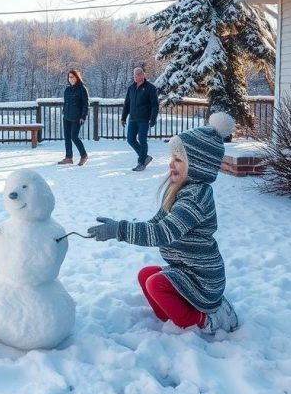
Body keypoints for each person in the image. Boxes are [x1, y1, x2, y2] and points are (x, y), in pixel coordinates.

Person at [87, 111, 239, 336]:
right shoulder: (182, 192)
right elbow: (156, 222)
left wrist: (119, 231)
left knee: (156, 284)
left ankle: (206, 319)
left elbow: (163, 232)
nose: (171, 165)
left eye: (179, 160)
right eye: (172, 158)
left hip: (203, 280)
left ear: (198, 164)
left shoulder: (196, 197)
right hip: (187, 270)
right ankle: (178, 316)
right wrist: (119, 226)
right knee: (146, 275)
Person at [121, 67, 159, 171]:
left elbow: (155, 105)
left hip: (144, 119)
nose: (137, 76)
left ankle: (141, 162)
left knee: (142, 140)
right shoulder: (131, 88)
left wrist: (153, 118)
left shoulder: (150, 88)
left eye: (139, 74)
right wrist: (123, 117)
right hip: (132, 119)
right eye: (135, 74)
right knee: (130, 139)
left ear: (143, 75)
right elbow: (127, 104)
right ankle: (145, 157)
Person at [58, 69, 89, 166]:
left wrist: (83, 117)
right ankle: (68, 157)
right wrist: (64, 112)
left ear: (77, 77)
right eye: (69, 77)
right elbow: (66, 102)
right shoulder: (67, 89)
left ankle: (84, 155)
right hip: (66, 116)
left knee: (74, 137)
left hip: (76, 117)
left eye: (72, 77)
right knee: (67, 137)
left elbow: (85, 104)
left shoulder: (82, 89)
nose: (70, 79)